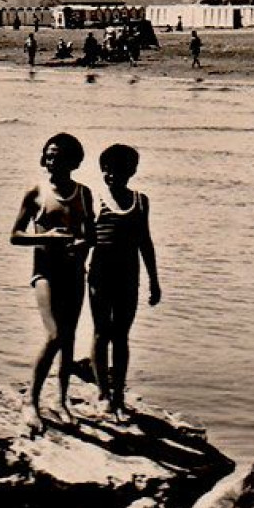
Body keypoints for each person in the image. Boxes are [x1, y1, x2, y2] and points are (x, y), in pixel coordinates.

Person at [11, 134, 95, 427]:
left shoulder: (83, 193)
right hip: (45, 272)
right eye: (48, 155)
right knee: (54, 334)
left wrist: (81, 244)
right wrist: (45, 237)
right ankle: (30, 401)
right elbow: (16, 236)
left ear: (73, 161)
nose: (51, 160)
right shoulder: (36, 191)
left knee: (69, 338)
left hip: (74, 272)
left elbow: (91, 235)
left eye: (58, 156)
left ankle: (61, 399)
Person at [88, 144, 161, 418]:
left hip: (129, 276)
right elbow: (86, 238)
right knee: (100, 331)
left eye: (118, 170)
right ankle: (102, 393)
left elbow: (146, 242)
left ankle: (118, 393)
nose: (111, 175)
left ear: (131, 171)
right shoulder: (95, 200)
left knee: (121, 336)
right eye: (106, 169)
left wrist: (154, 281)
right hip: (100, 274)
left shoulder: (140, 201)